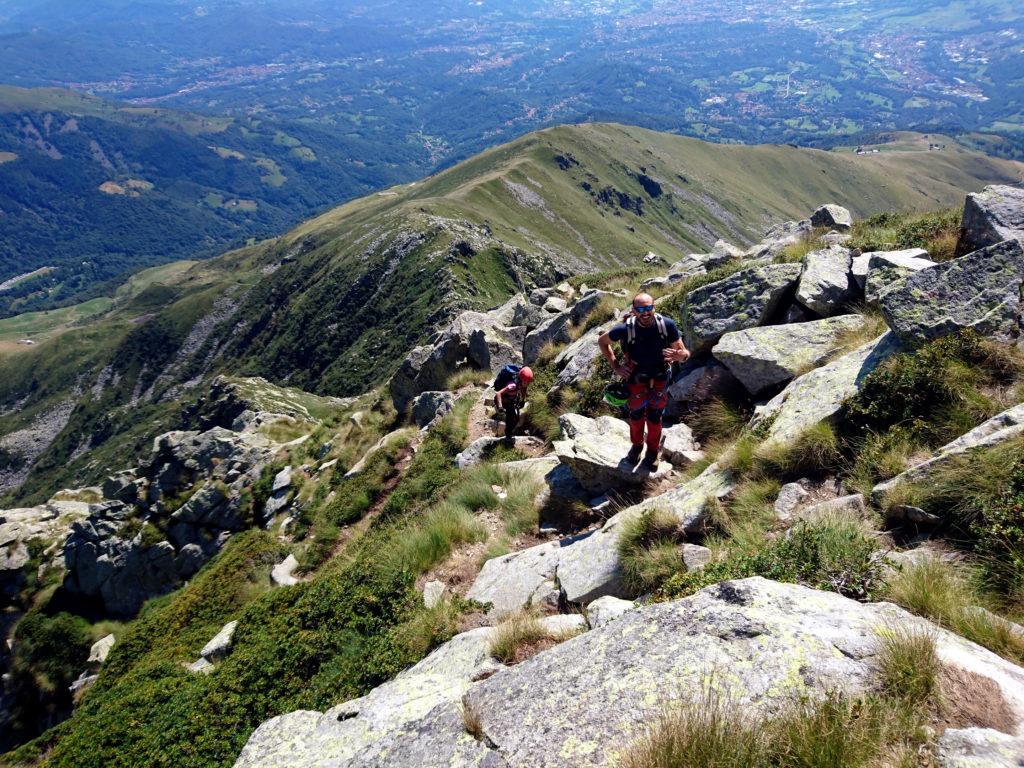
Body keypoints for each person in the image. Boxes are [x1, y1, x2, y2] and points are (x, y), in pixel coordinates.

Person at [598, 293, 690, 469]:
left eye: (648, 308)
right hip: (636, 378)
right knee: (636, 416)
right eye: (640, 309)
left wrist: (681, 356)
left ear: (654, 307)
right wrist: (615, 366)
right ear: (633, 311)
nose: (645, 312)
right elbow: (602, 342)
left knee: (655, 418)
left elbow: (684, 353)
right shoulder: (625, 329)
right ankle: (637, 446)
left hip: (660, 378)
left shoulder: (666, 325)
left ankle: (653, 452)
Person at [494, 365, 533, 445]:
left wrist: (522, 400)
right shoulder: (512, 385)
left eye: (528, 382)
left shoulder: (521, 384)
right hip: (504, 401)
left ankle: (510, 432)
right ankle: (508, 436)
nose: (527, 384)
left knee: (515, 418)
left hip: (511, 399)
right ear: (521, 379)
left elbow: (524, 390)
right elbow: (498, 394)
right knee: (511, 418)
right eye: (526, 382)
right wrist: (500, 406)